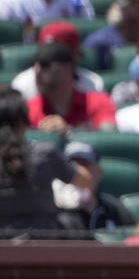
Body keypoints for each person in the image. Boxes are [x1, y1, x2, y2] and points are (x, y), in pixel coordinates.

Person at [0, 87, 93, 230]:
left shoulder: (43, 153)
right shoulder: (45, 153)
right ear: (23, 122)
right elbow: (85, 181)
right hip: (45, 244)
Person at [26, 41, 117, 136]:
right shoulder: (27, 109)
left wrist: (69, 132)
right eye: (34, 65)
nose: (37, 71)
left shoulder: (98, 102)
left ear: (68, 68)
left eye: (45, 64)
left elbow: (110, 136)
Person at [54, 141, 135, 231]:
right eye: (71, 167)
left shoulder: (113, 209)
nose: (78, 172)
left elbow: (131, 239)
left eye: (84, 165)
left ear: (99, 171)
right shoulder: (53, 212)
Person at [12, 21, 104, 100]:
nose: (52, 61)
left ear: (75, 54)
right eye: (47, 54)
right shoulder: (22, 84)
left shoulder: (93, 83)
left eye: (58, 56)